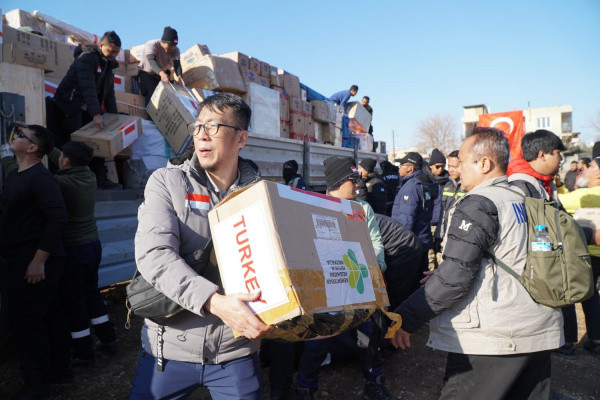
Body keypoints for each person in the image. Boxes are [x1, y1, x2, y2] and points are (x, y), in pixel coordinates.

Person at [391, 127, 564, 400]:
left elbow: (455, 278)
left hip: (496, 337)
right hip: (538, 326)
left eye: (461, 161)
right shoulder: (523, 198)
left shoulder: (479, 203)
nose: (456, 170)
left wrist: (405, 318)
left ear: (484, 163)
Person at [129, 93, 271, 399]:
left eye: (213, 126)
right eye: (197, 127)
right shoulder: (166, 182)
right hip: (167, 352)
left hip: (237, 354)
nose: (201, 135)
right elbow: (154, 256)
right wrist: (216, 303)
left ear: (241, 138)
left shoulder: (262, 195)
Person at [296, 156, 391, 400]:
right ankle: (306, 388)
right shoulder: (314, 206)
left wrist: (375, 263)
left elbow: (376, 242)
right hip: (327, 287)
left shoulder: (363, 208)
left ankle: (374, 383)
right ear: (339, 181)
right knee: (318, 338)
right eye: (352, 179)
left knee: (369, 333)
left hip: (360, 283)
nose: (358, 184)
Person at [0, 125, 70, 399]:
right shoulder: (17, 174)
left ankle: (37, 387)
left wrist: (38, 261)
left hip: (33, 262)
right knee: (46, 316)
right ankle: (59, 372)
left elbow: (57, 218)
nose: (14, 135)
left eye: (20, 134)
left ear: (32, 148)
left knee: (28, 322)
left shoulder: (40, 178)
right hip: (17, 258)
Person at [48, 142, 118, 364]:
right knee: (91, 292)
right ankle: (109, 339)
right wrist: (48, 146)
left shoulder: (62, 182)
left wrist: (7, 159)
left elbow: (37, 179)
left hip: (75, 248)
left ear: (66, 162)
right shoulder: (88, 175)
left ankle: (83, 352)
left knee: (74, 300)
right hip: (92, 245)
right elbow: (59, 153)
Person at [52, 30, 122, 189]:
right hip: (69, 103)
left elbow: (109, 94)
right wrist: (96, 114)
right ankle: (72, 180)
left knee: (99, 138)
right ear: (101, 45)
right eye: (111, 51)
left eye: (116, 53)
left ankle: (100, 179)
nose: (114, 55)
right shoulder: (87, 58)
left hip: (86, 106)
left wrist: (115, 119)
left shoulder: (108, 65)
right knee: (76, 140)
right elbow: (87, 87)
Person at [555, 142, 600, 360]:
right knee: (591, 296)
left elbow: (559, 202)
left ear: (598, 172)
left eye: (589, 166)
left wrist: (556, 188)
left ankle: (566, 343)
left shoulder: (587, 195)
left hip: (586, 254)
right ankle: (596, 340)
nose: (583, 170)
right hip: (597, 257)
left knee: (570, 293)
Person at [392, 152, 436, 272]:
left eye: (402, 165)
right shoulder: (424, 182)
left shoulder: (411, 186)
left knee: (409, 281)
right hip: (423, 239)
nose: (399, 167)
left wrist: (399, 243)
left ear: (410, 168)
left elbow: (406, 218)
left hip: (411, 243)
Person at [507, 129, 565, 203]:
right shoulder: (521, 185)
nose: (561, 159)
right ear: (542, 155)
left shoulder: (546, 182)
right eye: (558, 153)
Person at [138, 27, 183, 106]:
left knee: (168, 94)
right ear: (163, 41)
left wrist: (179, 76)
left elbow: (177, 64)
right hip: (147, 73)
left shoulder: (175, 50)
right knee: (153, 94)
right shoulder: (152, 44)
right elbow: (151, 61)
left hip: (163, 74)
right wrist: (161, 74)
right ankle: (150, 117)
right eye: (170, 45)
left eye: (174, 45)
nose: (172, 48)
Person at [433, 150, 464, 256]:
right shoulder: (447, 185)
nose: (450, 170)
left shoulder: (469, 187)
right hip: (445, 238)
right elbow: (443, 213)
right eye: (449, 166)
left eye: (454, 167)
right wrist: (438, 237)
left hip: (461, 241)